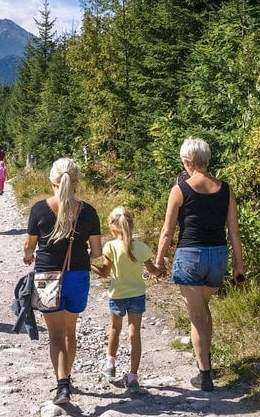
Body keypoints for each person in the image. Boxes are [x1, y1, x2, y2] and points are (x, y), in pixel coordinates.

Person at [155, 137, 246, 392]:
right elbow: (234, 232)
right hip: (218, 255)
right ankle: (207, 361)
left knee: (196, 315)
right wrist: (239, 267)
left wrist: (160, 260)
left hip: (191, 256)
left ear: (187, 161)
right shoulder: (225, 189)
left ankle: (205, 375)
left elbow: (167, 230)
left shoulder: (180, 189)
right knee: (204, 309)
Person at [23, 158, 102, 405]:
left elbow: (29, 246)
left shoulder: (39, 209)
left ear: (52, 180)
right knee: (70, 331)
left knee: (55, 334)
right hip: (77, 275)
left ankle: (62, 385)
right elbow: (97, 252)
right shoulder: (88, 211)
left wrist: (28, 256)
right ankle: (68, 377)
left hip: (47, 276)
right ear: (76, 181)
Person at [95, 206, 159, 393]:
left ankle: (110, 364)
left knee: (115, 328)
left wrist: (89, 265)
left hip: (117, 295)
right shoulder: (141, 247)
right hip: (137, 294)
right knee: (135, 334)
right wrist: (159, 272)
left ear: (112, 227)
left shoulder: (110, 247)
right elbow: (152, 270)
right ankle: (133, 376)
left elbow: (105, 273)